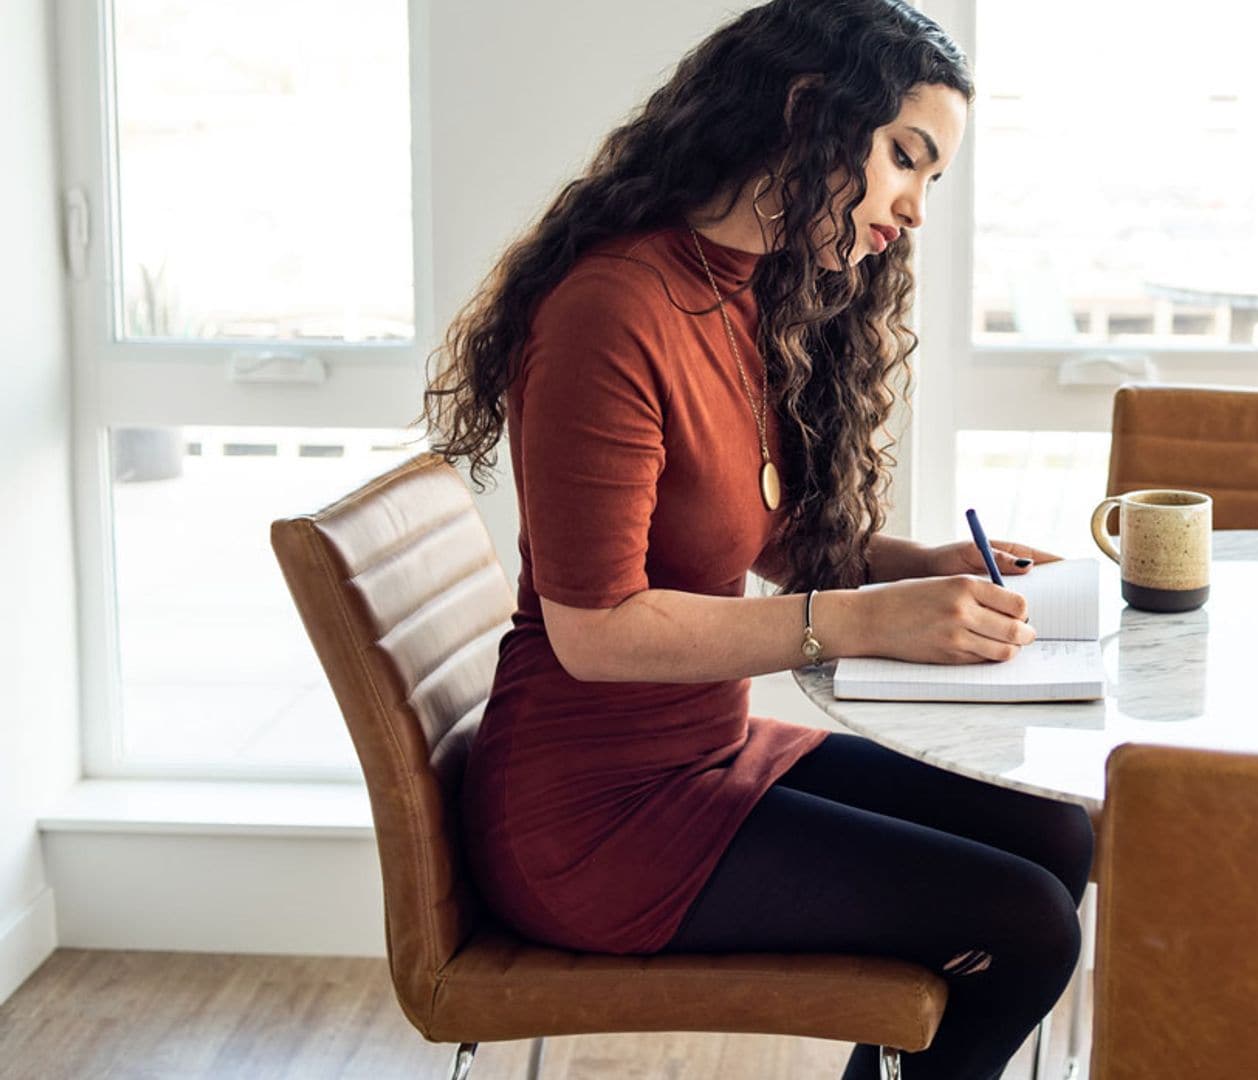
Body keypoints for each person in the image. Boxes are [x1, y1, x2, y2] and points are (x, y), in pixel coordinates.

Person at [420, 1, 1095, 1076]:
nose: (914, 209)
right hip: (596, 821)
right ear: (809, 114)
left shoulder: (746, 292)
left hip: (707, 755)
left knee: (1061, 836)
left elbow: (766, 532)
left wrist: (921, 569)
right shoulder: (613, 311)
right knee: (1028, 923)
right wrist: (866, 623)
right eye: (904, 160)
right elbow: (595, 632)